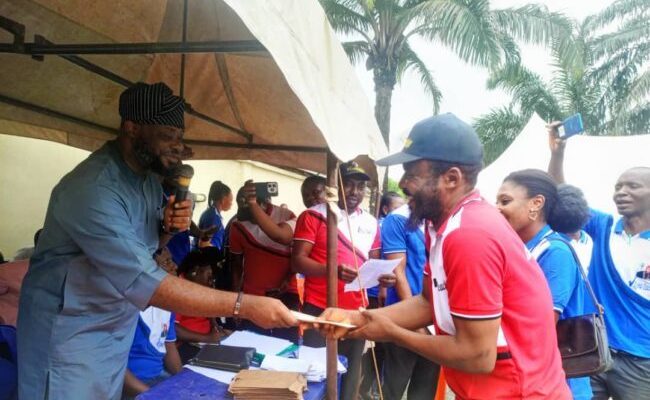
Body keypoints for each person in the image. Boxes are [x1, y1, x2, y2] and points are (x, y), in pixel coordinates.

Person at [16, 82, 297, 400]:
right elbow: (147, 281)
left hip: (115, 328)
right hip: (67, 337)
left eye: (180, 138)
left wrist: (169, 229)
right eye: (167, 136)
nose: (177, 147)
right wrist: (243, 305)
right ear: (132, 128)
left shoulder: (149, 181)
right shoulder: (92, 188)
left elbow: (147, 248)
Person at [316, 113, 571, 399]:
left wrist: (391, 332)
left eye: (412, 173)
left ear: (451, 178)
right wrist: (358, 319)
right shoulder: (443, 226)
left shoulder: (469, 235)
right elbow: (429, 301)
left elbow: (477, 355)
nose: (402, 183)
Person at [547, 122, 650, 400]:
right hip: (591, 348)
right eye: (618, 187)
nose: (621, 192)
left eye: (632, 186)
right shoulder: (604, 226)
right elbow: (562, 196)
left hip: (641, 362)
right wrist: (557, 154)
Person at [292, 161, 387, 400]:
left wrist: (383, 277)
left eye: (360, 186)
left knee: (352, 375)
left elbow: (373, 263)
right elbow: (297, 262)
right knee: (316, 375)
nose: (355, 192)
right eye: (349, 185)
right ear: (335, 186)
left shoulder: (371, 223)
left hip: (356, 310)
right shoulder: (314, 215)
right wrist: (331, 270)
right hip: (320, 307)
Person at [496, 168, 593, 400]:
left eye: (505, 201)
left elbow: (541, 325)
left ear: (536, 204)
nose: (497, 208)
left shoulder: (554, 252)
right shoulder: (525, 248)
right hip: (532, 377)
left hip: (558, 380)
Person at [378, 201, 440, 400]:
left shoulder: (439, 219)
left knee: (425, 389)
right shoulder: (397, 219)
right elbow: (398, 271)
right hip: (406, 318)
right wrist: (417, 323)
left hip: (435, 322)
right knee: (394, 386)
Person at [229, 180, 300, 341]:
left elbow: (294, 252)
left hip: (286, 292)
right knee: (253, 344)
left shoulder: (287, 216)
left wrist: (288, 279)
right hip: (253, 296)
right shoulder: (237, 225)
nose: (248, 219)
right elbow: (236, 265)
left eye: (251, 211)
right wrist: (235, 299)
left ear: (264, 203)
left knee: (287, 345)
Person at [359, 190, 404, 400]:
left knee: (381, 345)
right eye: (396, 207)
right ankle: (366, 386)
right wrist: (382, 290)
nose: (400, 211)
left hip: (384, 291)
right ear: (386, 209)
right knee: (374, 344)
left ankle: (373, 386)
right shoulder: (385, 225)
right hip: (373, 293)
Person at [122, 253, 182, 399]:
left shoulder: (167, 304)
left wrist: (185, 382)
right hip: (133, 387)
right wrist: (153, 395)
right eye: (167, 261)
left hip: (158, 379)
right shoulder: (127, 309)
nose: (175, 266)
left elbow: (169, 348)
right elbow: (115, 368)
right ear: (148, 269)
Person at [175, 248, 225, 348]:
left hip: (207, 340)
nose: (211, 282)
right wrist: (207, 338)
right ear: (195, 270)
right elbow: (172, 328)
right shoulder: (177, 289)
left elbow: (209, 310)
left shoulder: (200, 285)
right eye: (209, 276)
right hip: (187, 344)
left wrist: (215, 327)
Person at [198, 180, 233, 250]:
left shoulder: (211, 214)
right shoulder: (213, 217)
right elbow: (203, 245)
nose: (231, 204)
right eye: (230, 200)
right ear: (223, 200)